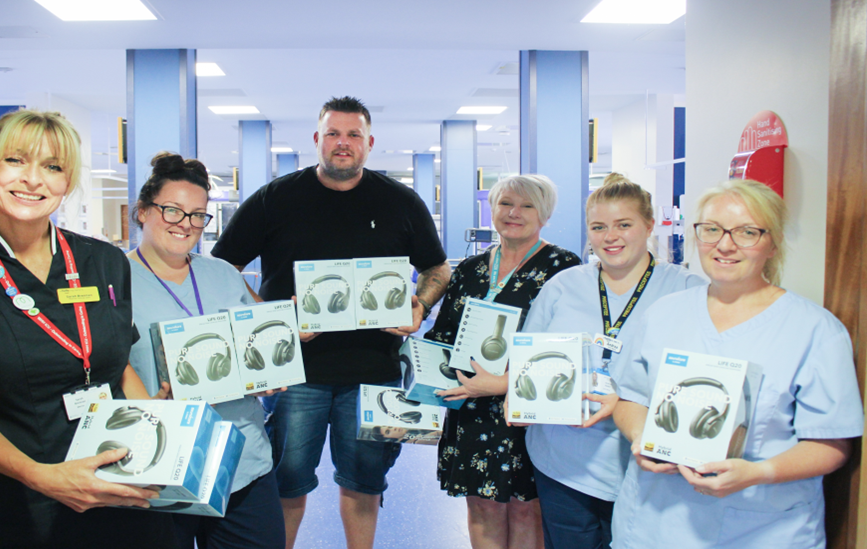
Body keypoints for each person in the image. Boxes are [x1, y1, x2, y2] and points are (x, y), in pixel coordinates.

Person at [211, 96, 451, 549]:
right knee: (287, 481)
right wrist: (272, 318)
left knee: (365, 481)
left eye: (354, 135)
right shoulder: (275, 198)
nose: (343, 144)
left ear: (369, 142)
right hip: (293, 371)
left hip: (373, 372)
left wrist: (419, 304)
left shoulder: (400, 201)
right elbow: (221, 268)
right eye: (334, 134)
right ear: (317, 139)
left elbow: (439, 270)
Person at [0, 109, 175, 548]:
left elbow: (119, 369)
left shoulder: (102, 261)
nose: (33, 180)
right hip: (15, 504)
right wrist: (42, 477)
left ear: (67, 183)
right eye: (16, 160)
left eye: (53, 167)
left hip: (117, 488)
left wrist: (157, 429)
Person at [611, 179, 864, 548]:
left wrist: (758, 472)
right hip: (654, 523)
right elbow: (630, 398)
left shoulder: (816, 330)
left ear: (773, 242)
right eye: (712, 230)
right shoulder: (664, 314)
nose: (725, 244)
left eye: (747, 232)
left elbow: (832, 444)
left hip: (761, 528)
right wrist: (641, 436)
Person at [521, 175, 705, 549]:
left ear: (649, 225)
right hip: (563, 463)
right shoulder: (563, 286)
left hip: (645, 468)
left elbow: (697, 383)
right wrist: (519, 394)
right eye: (598, 227)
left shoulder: (687, 291)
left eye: (624, 225)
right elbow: (529, 357)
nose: (611, 237)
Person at [127, 152, 286, 549]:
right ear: (143, 211)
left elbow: (258, 345)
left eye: (198, 215)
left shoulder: (223, 274)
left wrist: (270, 375)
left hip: (243, 461)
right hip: (160, 467)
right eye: (172, 211)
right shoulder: (114, 280)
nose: (187, 224)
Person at [428, 174, 581, 549]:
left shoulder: (564, 269)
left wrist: (505, 382)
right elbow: (443, 335)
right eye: (505, 204)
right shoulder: (468, 270)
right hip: (470, 408)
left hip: (527, 409)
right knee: (481, 506)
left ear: (543, 215)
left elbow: (569, 348)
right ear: (492, 209)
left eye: (527, 206)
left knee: (527, 509)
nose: (514, 213)